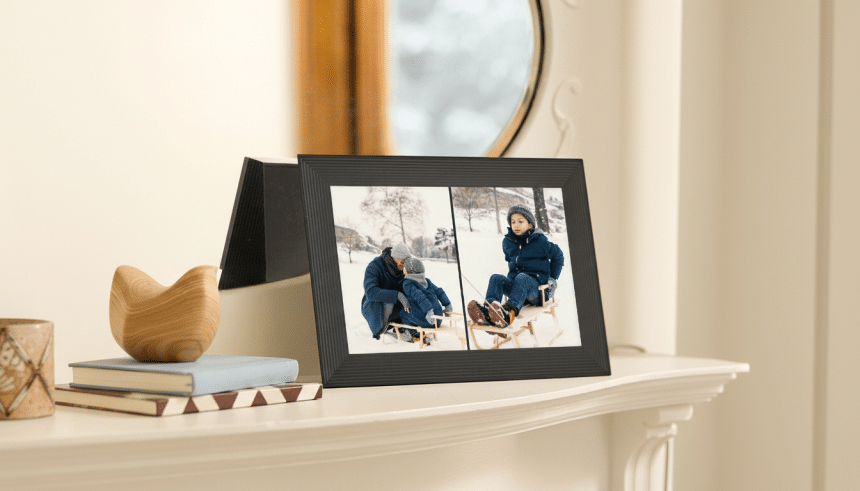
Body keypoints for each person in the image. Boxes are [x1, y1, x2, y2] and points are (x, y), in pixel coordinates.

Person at [467, 204, 564, 328]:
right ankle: (489, 312)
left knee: (522, 277)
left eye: (520, 221)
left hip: (537, 292)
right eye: (513, 222)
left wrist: (552, 279)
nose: (516, 225)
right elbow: (511, 264)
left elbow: (558, 256)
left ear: (530, 224)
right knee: (496, 278)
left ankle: (509, 314)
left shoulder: (540, 242)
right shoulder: (508, 243)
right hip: (517, 289)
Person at [361, 243, 412, 339]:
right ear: (394, 257)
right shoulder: (374, 266)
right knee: (389, 302)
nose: (404, 264)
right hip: (376, 305)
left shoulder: (403, 266)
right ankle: (380, 329)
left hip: (398, 304)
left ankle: (404, 326)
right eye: (402, 261)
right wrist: (398, 295)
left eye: (406, 261)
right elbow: (371, 292)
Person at [398, 257, 453, 331]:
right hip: (438, 318)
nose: (403, 269)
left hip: (428, 319)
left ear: (409, 271)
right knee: (416, 309)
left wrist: (429, 311)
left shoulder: (408, 283)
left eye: (405, 267)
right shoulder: (427, 281)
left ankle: (410, 333)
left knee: (402, 313)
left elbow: (419, 296)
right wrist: (447, 304)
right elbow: (439, 292)